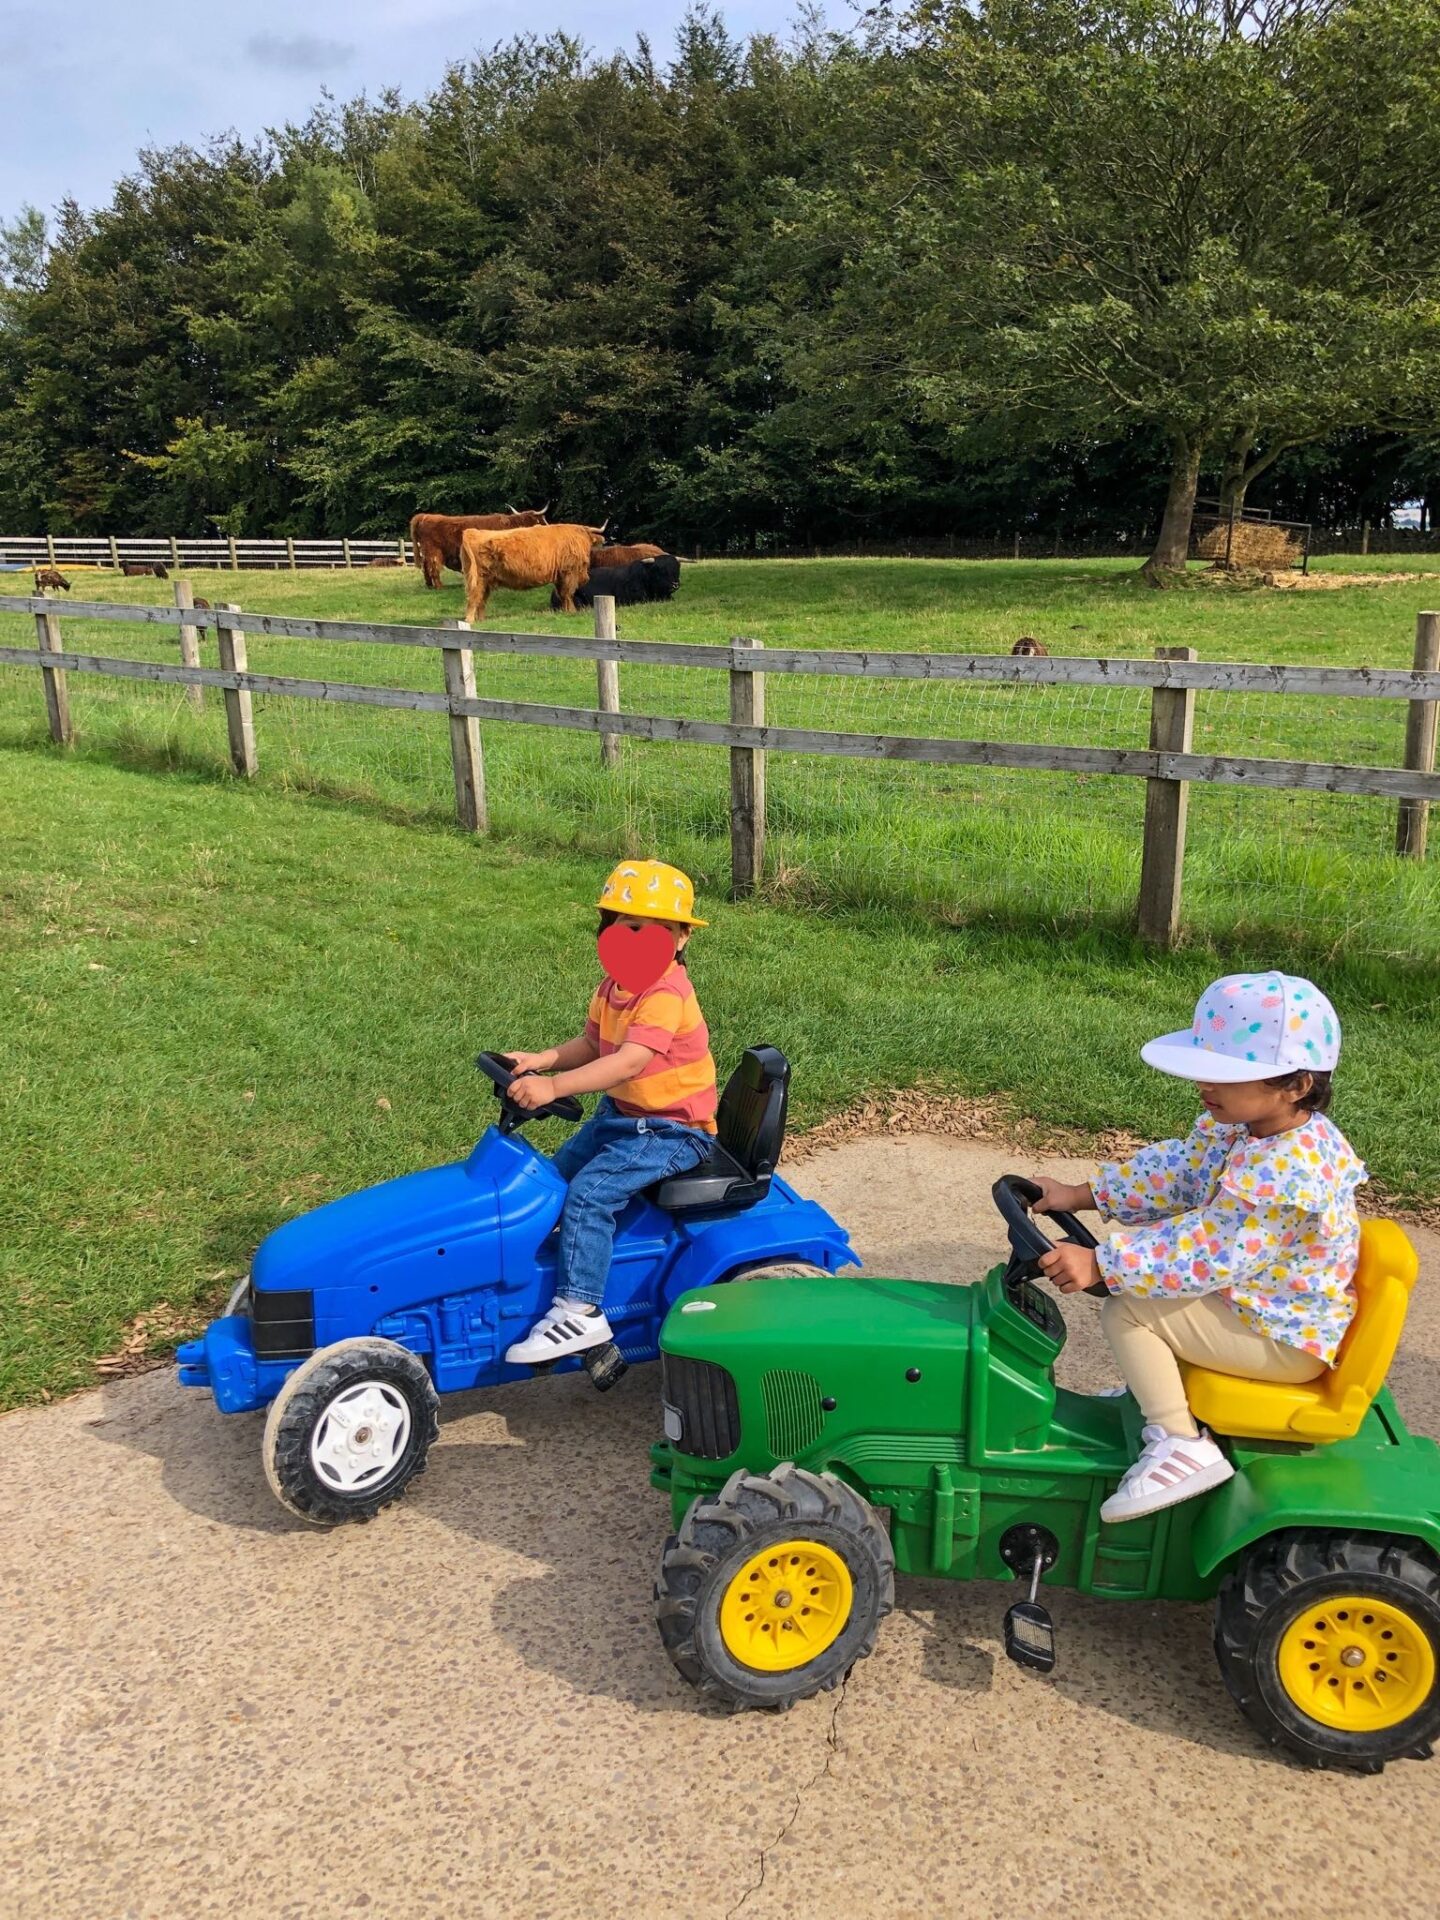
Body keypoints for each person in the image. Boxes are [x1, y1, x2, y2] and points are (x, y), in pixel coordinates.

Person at [1029, 971, 1366, 1524]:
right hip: (1256, 1304)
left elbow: (1209, 1251)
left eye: (1223, 1075)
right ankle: (1156, 1403)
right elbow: (1178, 1174)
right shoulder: (1247, 1128)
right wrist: (1080, 1194)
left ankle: (1179, 1442)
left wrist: (1104, 1264)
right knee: (1140, 1296)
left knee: (1131, 1310)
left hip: (1283, 1336)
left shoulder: (1288, 1168)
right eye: (1203, 1070)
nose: (1203, 1086)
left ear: (1296, 1084)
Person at [502, 860, 718, 1364]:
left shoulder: (666, 993)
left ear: (682, 938)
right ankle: (538, 1267)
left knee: (587, 1195)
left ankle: (581, 1310)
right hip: (622, 1116)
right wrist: (542, 1060)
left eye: (659, 930)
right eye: (629, 926)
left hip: (672, 1130)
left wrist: (552, 1086)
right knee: (553, 1178)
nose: (641, 939)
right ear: (610, 931)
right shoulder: (613, 987)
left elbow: (627, 1062)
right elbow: (592, 1044)